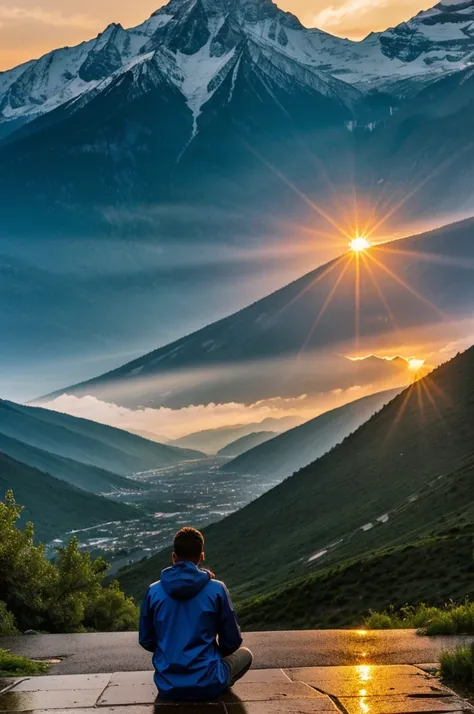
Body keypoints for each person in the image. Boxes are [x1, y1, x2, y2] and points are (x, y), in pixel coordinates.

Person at [139, 526, 253, 701]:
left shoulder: (153, 591)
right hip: (209, 681)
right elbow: (232, 641)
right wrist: (211, 654)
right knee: (246, 654)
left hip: (167, 684)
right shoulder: (217, 589)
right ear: (201, 557)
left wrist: (171, 650)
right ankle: (217, 687)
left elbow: (146, 640)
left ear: (173, 557)